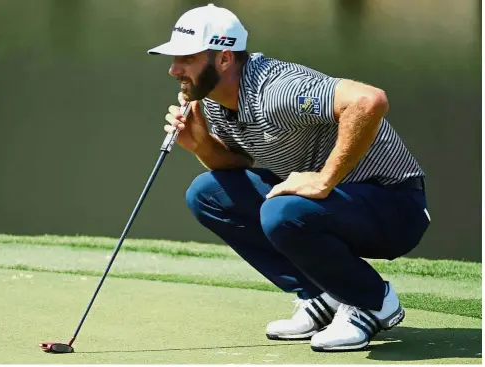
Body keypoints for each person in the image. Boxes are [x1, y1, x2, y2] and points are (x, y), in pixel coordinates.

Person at [147, 3, 431, 352]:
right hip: (332, 208)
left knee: (280, 212)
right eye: (174, 59)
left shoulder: (276, 90)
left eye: (186, 59)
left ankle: (372, 301)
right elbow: (235, 165)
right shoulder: (215, 100)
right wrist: (202, 145)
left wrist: (324, 179)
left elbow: (368, 101)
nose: (174, 70)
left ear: (223, 59)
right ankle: (325, 295)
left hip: (394, 207)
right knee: (207, 194)